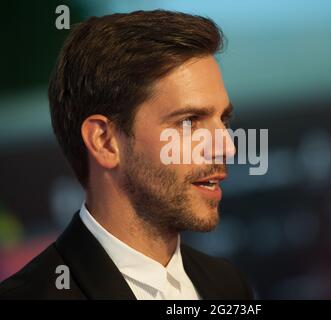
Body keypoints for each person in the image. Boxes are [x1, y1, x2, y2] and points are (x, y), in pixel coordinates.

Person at [0, 10, 253, 300]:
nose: (226, 147)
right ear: (105, 141)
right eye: (189, 122)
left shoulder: (227, 284)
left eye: (224, 120)